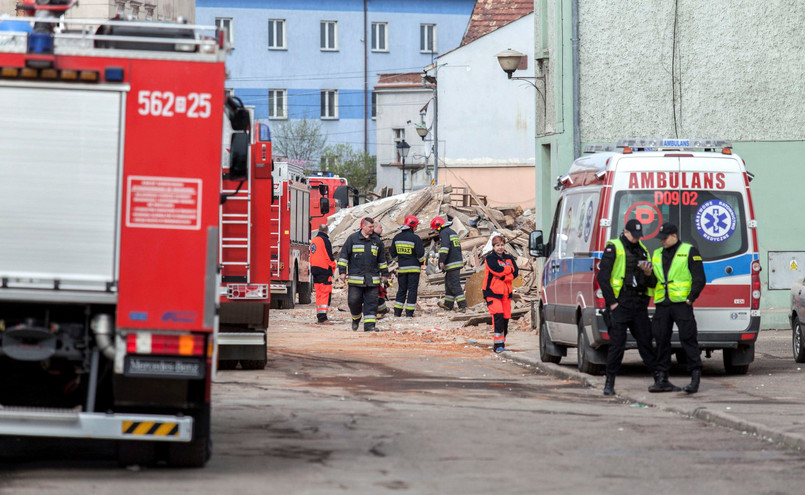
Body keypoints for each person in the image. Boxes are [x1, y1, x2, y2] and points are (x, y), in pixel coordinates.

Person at [597, 219, 672, 396]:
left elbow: (651, 281)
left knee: (646, 343)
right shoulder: (613, 247)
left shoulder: (643, 250)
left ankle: (659, 379)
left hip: (638, 304)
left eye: (639, 236)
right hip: (621, 304)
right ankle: (609, 383)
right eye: (633, 235)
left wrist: (647, 273)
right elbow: (602, 278)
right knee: (617, 345)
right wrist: (612, 303)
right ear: (625, 232)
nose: (636, 239)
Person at [651, 222, 707, 394]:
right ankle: (662, 379)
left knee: (688, 339)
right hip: (662, 303)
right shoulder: (657, 254)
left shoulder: (689, 251)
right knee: (660, 341)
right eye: (660, 239)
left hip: (682, 304)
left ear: (674, 236)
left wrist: (691, 298)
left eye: (664, 238)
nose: (661, 242)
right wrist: (646, 274)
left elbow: (699, 278)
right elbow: (653, 280)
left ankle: (695, 378)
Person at [338, 217, 389, 332]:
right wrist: (342, 272)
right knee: (353, 301)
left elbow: (382, 260)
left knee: (371, 303)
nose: (372, 229)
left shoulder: (377, 241)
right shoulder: (352, 239)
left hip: (372, 280)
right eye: (370, 227)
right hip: (356, 279)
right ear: (363, 226)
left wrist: (385, 275)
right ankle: (356, 318)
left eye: (373, 227)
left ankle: (369, 326)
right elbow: (344, 256)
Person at [483, 234, 518, 353]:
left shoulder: (509, 258)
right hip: (492, 293)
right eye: (497, 245)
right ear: (493, 246)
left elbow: (516, 272)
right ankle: (499, 346)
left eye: (502, 245)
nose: (500, 248)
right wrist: (508, 271)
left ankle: (500, 343)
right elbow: (496, 270)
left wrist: (504, 276)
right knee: (498, 317)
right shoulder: (490, 258)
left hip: (506, 294)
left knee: (505, 319)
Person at [391, 215, 426, 317]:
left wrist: (400, 261)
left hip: (402, 269)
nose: (416, 228)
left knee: (402, 290)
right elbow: (420, 254)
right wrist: (420, 263)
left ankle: (397, 312)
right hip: (414, 269)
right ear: (412, 226)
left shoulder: (396, 238)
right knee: (412, 290)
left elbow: (393, 254)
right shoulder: (415, 238)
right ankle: (409, 313)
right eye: (416, 226)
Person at [431, 216, 467, 313]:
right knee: (449, 283)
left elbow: (445, 248)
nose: (435, 231)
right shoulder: (452, 232)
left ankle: (462, 306)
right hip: (455, 261)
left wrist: (441, 261)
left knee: (454, 284)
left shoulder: (444, 233)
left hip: (452, 263)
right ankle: (448, 304)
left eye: (435, 229)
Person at [310, 224, 338, 324]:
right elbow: (329, 256)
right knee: (325, 294)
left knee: (319, 294)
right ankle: (323, 318)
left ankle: (320, 316)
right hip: (324, 271)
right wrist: (333, 266)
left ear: (318, 229)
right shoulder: (325, 240)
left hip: (315, 270)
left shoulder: (314, 240)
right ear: (327, 231)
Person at [372, 222, 391, 318]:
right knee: (378, 291)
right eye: (380, 227)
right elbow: (382, 258)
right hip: (375, 271)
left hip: (375, 271)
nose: (382, 229)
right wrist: (384, 273)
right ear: (374, 228)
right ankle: (378, 311)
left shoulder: (376, 239)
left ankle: (381, 309)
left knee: (380, 290)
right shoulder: (375, 240)